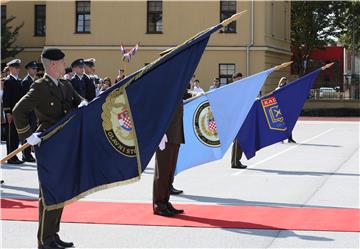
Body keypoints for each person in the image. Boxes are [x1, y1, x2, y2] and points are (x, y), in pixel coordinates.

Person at [12, 48, 86, 249]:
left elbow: (81, 103)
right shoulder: (41, 87)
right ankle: (44, 240)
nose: (65, 64)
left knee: (59, 190)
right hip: (49, 145)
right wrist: (28, 136)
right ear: (53, 64)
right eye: (62, 62)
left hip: (64, 143)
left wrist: (86, 105)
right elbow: (19, 110)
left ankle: (53, 235)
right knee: (48, 192)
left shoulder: (65, 84)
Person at [2, 59, 24, 164]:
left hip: (18, 112)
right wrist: (7, 113)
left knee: (15, 136)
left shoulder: (18, 81)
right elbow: (6, 98)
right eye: (16, 67)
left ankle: (14, 156)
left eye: (18, 67)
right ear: (10, 68)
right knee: (11, 136)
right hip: (11, 112)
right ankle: (11, 157)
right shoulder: (8, 81)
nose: (18, 69)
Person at [20, 61, 38, 163]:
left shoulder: (35, 81)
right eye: (33, 69)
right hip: (28, 111)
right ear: (28, 69)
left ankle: (29, 152)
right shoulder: (25, 82)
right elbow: (23, 99)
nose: (35, 71)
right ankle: (25, 154)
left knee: (33, 131)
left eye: (36, 69)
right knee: (27, 133)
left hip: (34, 111)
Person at [230, 72, 247, 169]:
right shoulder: (232, 89)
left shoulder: (241, 89)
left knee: (240, 140)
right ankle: (235, 162)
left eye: (241, 78)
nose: (240, 80)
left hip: (241, 116)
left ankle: (237, 161)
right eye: (238, 79)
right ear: (234, 79)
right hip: (235, 118)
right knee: (238, 140)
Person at [277, 77, 296, 143]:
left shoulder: (280, 88)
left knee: (286, 124)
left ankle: (288, 138)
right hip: (283, 108)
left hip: (285, 107)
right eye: (285, 81)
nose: (286, 82)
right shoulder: (282, 88)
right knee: (285, 124)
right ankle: (285, 138)